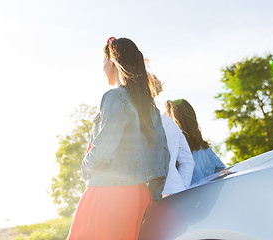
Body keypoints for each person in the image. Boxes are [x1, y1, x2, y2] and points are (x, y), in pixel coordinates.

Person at [66, 37, 170, 240]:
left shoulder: (114, 97)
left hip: (108, 191)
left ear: (112, 62)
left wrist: (86, 168)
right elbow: (162, 154)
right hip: (138, 195)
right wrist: (153, 195)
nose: (102, 67)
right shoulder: (150, 107)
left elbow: (104, 145)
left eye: (103, 61)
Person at [149, 74, 195, 196]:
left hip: (149, 196)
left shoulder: (135, 122)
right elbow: (187, 161)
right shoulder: (170, 123)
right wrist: (182, 187)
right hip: (175, 191)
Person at [164, 99, 226, 185]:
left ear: (175, 119)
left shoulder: (173, 151)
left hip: (185, 198)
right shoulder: (205, 150)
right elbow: (224, 173)